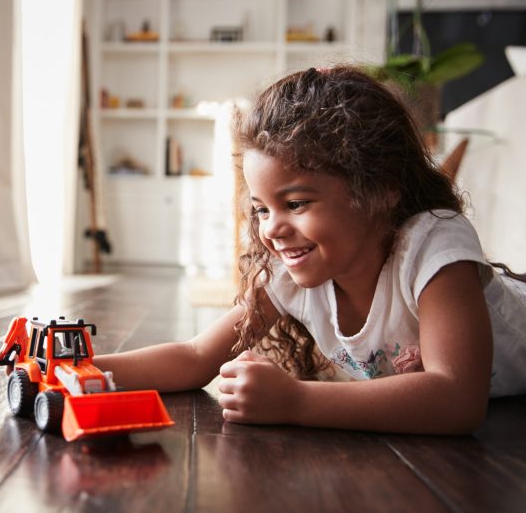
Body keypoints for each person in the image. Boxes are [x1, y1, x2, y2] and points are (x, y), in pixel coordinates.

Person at [94, 66, 526, 435]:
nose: (271, 230)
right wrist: (74, 367)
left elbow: (457, 398)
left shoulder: (432, 244)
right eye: (261, 210)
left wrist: (297, 402)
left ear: (380, 189)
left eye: (296, 204)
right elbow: (194, 357)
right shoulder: (295, 272)